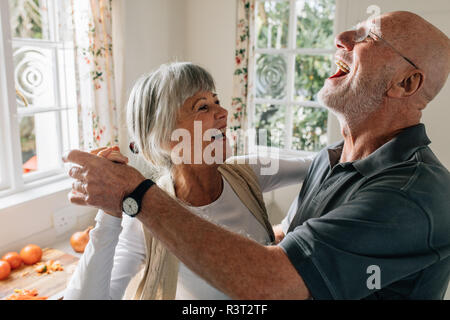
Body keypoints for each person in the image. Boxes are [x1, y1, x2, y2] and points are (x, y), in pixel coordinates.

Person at [63, 11, 450, 299]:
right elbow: (294, 241)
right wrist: (114, 210)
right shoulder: (331, 160)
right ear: (165, 138)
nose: (342, 36)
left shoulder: (410, 195)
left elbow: (272, 277)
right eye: (202, 106)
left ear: (407, 82)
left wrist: (134, 195)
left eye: (369, 36)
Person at [63, 63, 312, 300]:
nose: (223, 113)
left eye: (217, 101)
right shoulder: (143, 216)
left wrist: (291, 227)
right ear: (164, 137)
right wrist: (109, 212)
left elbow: (322, 165)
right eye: (202, 107)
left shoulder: (247, 173)